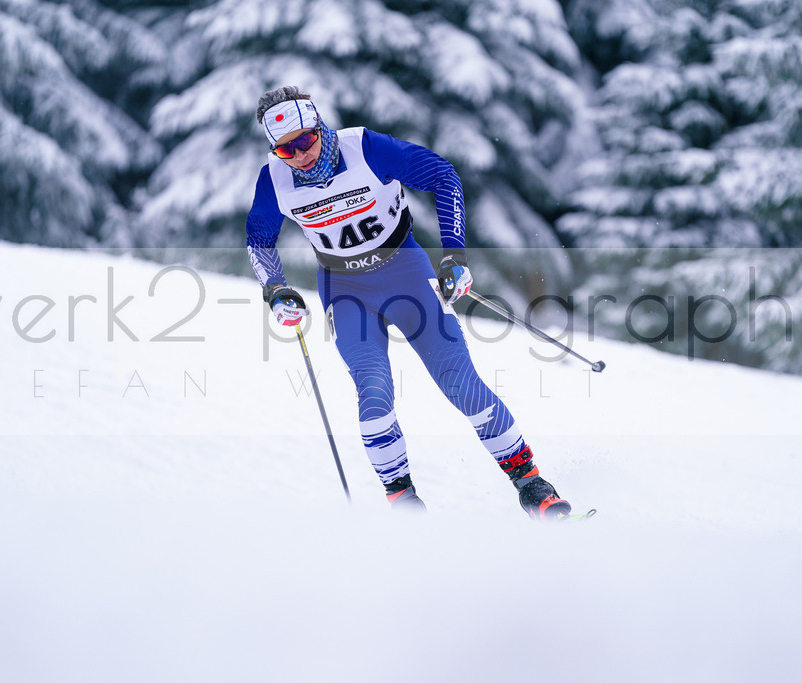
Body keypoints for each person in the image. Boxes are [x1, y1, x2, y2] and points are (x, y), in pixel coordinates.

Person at [245, 85, 571, 520]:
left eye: (305, 141)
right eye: (286, 151)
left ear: (319, 126)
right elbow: (259, 240)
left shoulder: (365, 148)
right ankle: (404, 505)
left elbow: (443, 176)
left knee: (460, 383)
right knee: (373, 390)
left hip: (406, 274)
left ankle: (532, 486)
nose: (300, 155)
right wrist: (276, 289)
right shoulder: (274, 179)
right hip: (345, 291)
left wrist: (454, 254)